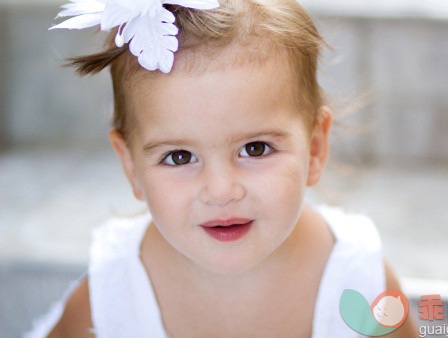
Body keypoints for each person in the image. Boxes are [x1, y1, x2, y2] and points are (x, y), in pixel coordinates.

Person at [27, 0, 418, 336]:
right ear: (131, 166)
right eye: (179, 157)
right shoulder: (109, 298)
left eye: (256, 148)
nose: (220, 190)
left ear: (315, 148)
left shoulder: (361, 285)